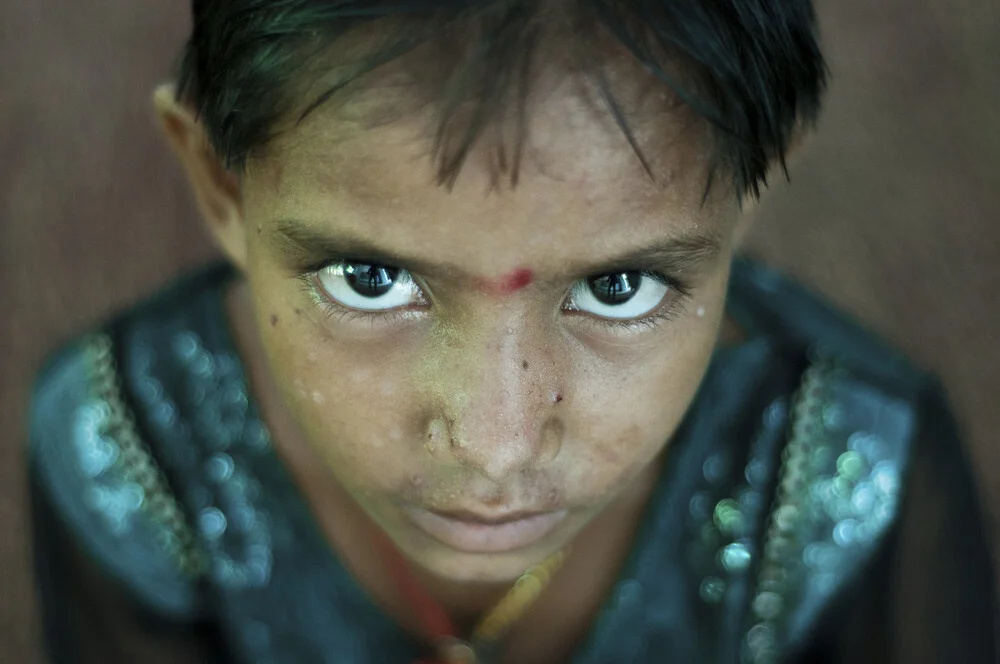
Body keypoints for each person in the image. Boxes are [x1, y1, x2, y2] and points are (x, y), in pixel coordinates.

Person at [26, 1, 997, 662]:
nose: (495, 443)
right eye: (371, 280)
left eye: (618, 287)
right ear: (221, 186)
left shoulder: (860, 464)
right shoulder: (127, 446)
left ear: (748, 193)